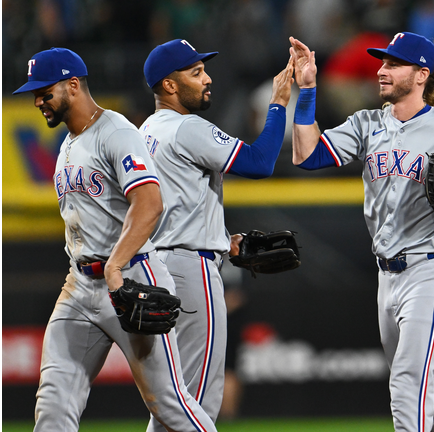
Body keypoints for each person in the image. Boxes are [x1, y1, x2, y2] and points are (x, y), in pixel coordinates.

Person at [288, 32, 434, 432]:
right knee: (433, 399)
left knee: (408, 384)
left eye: (393, 64)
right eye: (383, 62)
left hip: (432, 269)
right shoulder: (367, 123)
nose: (381, 70)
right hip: (386, 278)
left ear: (421, 74)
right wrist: (307, 90)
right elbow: (305, 155)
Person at [12, 47, 218, 432]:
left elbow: (149, 202)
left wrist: (115, 265)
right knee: (53, 405)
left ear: (73, 85)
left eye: (44, 91)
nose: (38, 100)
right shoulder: (68, 146)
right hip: (79, 286)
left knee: (168, 404)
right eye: (35, 93)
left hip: (131, 278)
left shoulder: (117, 131)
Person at [138, 38, 294, 430]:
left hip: (157, 265)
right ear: (169, 85)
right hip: (190, 270)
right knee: (198, 400)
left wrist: (223, 240)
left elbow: (172, 205)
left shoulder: (145, 130)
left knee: (174, 401)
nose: (207, 79)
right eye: (196, 73)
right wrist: (278, 103)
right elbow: (259, 164)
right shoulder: (186, 126)